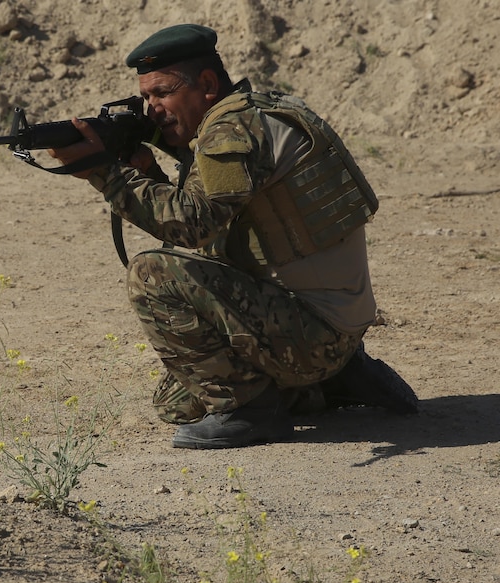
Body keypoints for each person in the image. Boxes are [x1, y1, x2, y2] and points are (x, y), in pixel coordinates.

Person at [49, 24, 416, 449]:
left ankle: (255, 413)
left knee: (151, 273)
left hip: (315, 328)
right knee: (176, 403)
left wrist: (104, 172)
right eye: (147, 98)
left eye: (163, 93)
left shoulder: (229, 130)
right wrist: (147, 174)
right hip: (331, 323)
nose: (153, 110)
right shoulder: (254, 113)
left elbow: (193, 226)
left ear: (206, 84)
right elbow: (218, 227)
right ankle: (335, 381)